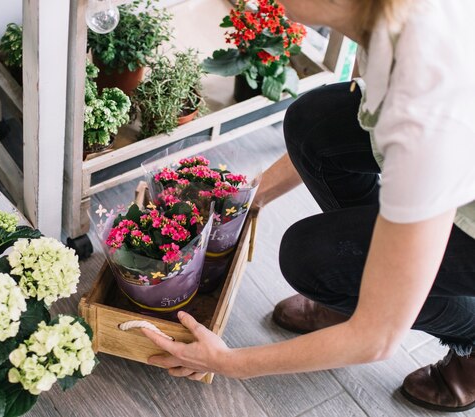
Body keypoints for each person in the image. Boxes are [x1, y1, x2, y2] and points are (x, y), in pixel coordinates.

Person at [141, 0, 475, 412]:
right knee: (311, 122)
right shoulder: (383, 23)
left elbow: (378, 337)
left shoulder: (429, 106)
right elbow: (367, 116)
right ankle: (353, 291)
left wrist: (228, 362)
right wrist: (243, 200)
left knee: (308, 258)